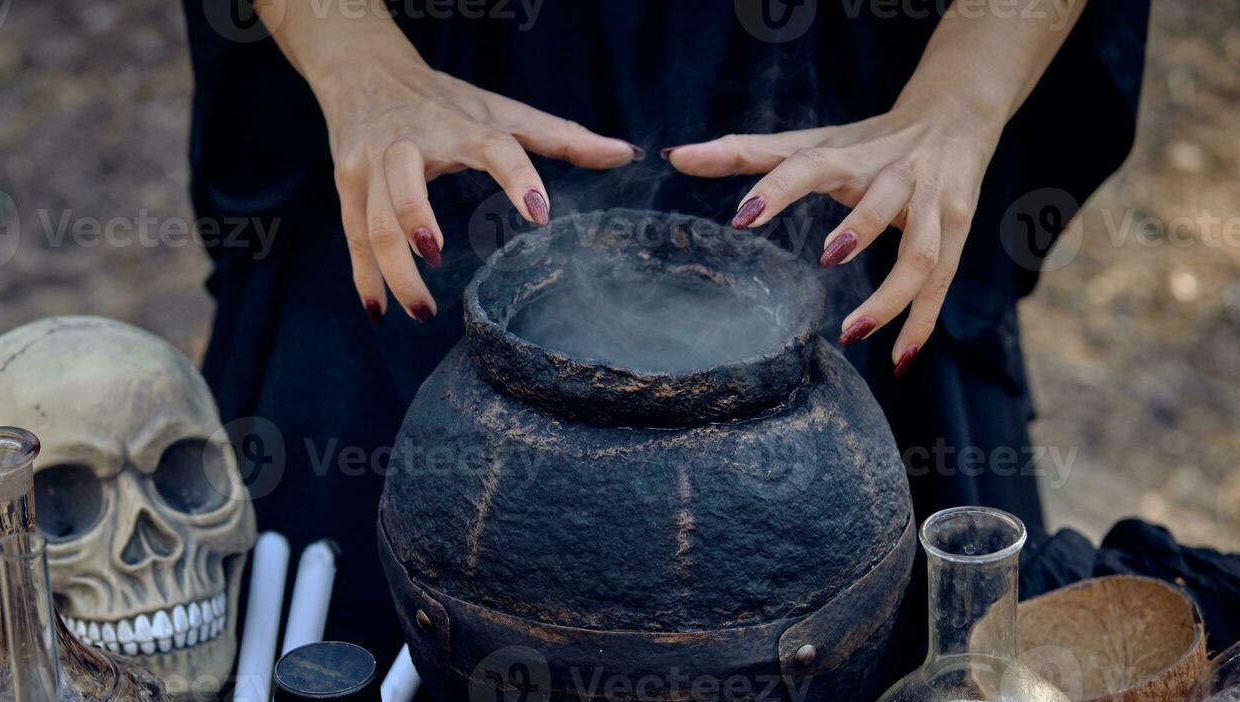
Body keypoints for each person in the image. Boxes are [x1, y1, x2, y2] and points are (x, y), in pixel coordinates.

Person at [182, 0, 1149, 659]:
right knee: (332, 657)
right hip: (436, 86)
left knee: (926, 686)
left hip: (860, 96)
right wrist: (357, 62)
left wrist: (960, 103)